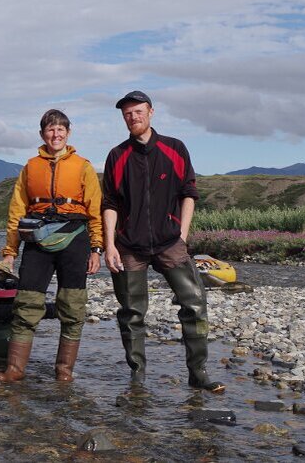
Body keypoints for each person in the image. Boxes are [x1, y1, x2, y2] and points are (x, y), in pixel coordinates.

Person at [102, 91, 225, 392]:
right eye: (127, 113)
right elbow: (109, 204)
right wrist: (109, 245)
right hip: (129, 246)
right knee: (131, 313)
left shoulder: (175, 148)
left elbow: (189, 193)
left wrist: (182, 234)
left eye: (138, 111)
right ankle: (138, 375)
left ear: (151, 112)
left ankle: (198, 373)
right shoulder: (117, 156)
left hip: (170, 242)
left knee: (194, 304)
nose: (133, 117)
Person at [0, 109, 103, 383]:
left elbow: (95, 211)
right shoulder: (30, 167)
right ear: (43, 134)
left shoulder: (84, 167)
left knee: (73, 305)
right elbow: (17, 211)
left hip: (75, 240)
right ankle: (15, 370)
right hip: (37, 240)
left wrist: (96, 249)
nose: (56, 134)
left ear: (68, 132)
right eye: (50, 129)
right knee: (26, 303)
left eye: (61, 129)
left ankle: (64, 372)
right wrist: (9, 253)